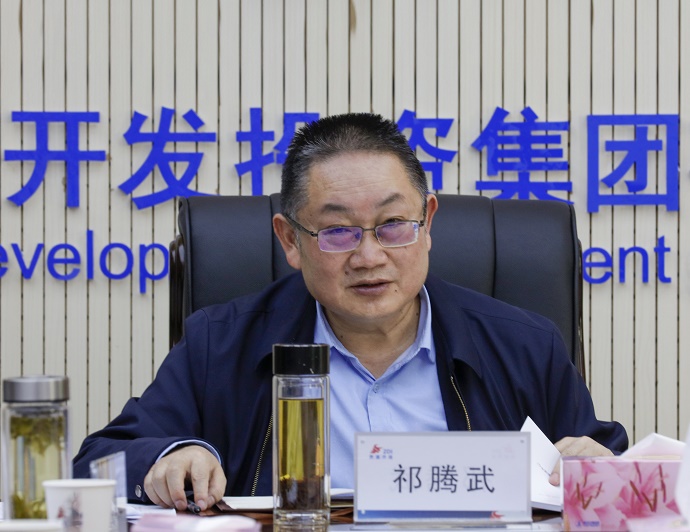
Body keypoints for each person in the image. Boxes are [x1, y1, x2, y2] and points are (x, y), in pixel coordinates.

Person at [73, 112, 628, 513]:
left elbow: (620, 484)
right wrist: (169, 458)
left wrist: (599, 469)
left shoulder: (524, 345)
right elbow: (99, 461)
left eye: (393, 225)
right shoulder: (219, 344)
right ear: (290, 240)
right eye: (337, 231)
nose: (369, 257)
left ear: (428, 224)